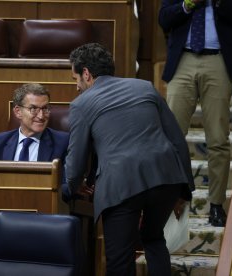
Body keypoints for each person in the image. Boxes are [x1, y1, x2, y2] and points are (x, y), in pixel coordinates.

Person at [65, 43, 194, 276]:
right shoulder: (145, 87)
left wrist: (72, 188)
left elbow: (75, 162)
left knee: (119, 258)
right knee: (154, 238)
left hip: (120, 184)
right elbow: (177, 140)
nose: (76, 86)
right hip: (165, 178)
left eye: (76, 78)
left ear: (86, 73)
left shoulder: (81, 105)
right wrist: (185, 190)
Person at [159, 0, 232, 227]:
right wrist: (187, 4)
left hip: (218, 59)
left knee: (218, 138)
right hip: (183, 60)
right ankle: (171, 202)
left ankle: (216, 206)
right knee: (172, 139)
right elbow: (164, 18)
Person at [0, 83, 72, 199]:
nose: (41, 116)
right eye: (33, 109)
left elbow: (67, 188)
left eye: (45, 108)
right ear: (18, 111)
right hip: (6, 206)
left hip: (44, 208)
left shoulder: (63, 142)